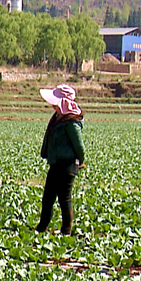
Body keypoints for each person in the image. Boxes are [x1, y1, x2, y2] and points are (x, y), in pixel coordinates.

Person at [35, 84, 85, 236]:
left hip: (67, 165)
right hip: (56, 163)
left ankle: (66, 231)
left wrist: (80, 160)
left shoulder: (71, 121)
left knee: (64, 199)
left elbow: (79, 145)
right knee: (48, 197)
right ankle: (42, 227)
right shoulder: (58, 117)